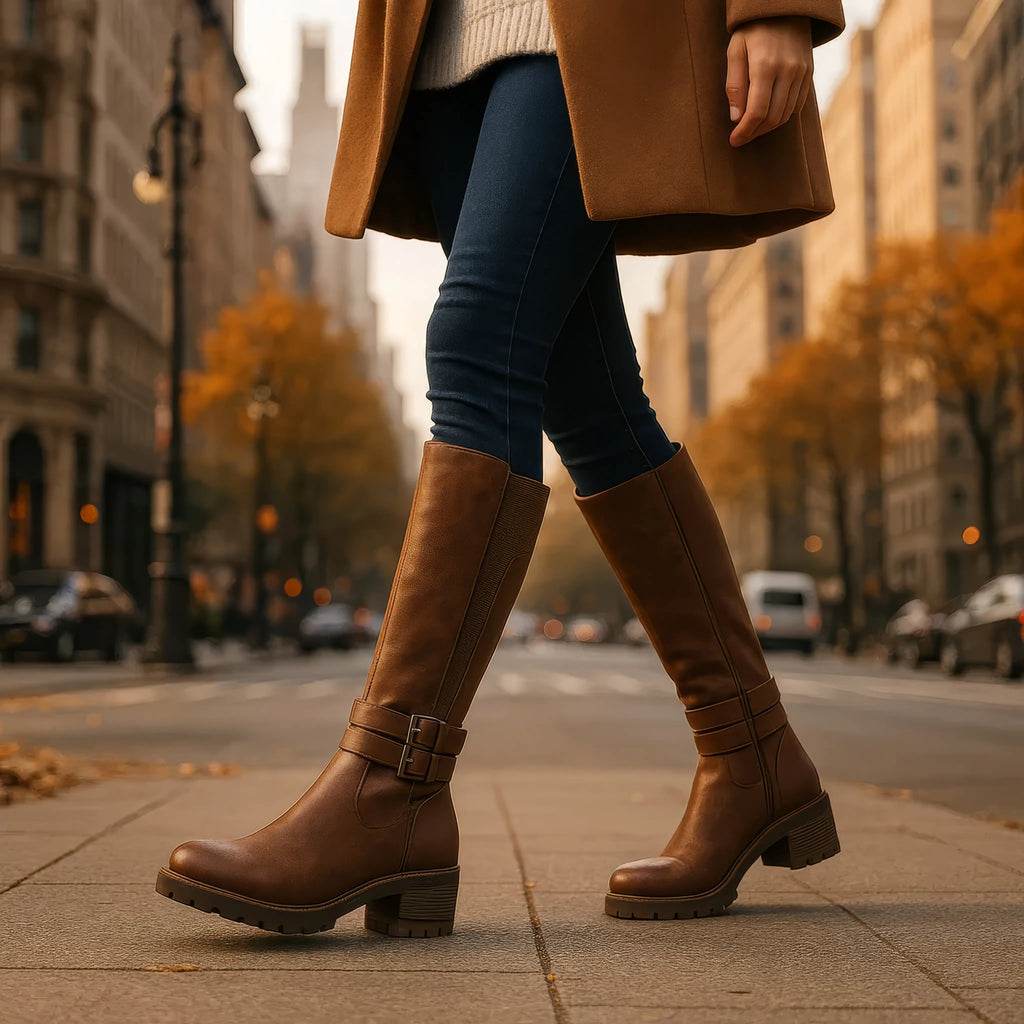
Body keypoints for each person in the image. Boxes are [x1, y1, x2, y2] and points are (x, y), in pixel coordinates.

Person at [156, 0, 845, 935]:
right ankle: (754, 755)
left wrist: (780, 7)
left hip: (576, 23)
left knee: (477, 342)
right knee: (591, 402)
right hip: (443, 38)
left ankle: (391, 782)